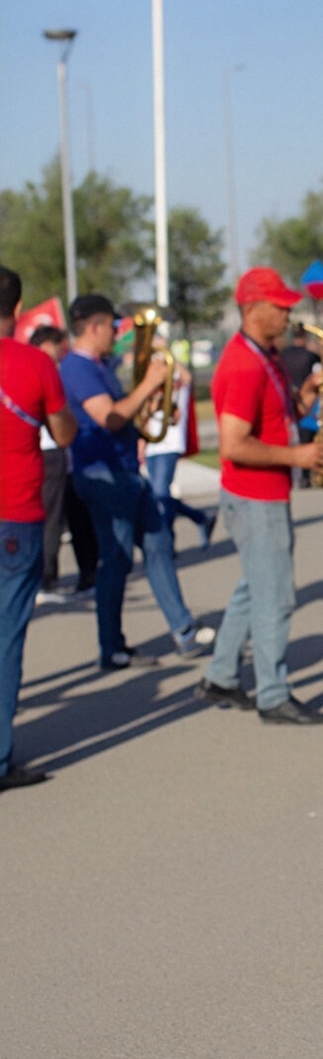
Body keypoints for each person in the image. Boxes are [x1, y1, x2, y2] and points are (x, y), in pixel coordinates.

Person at [198, 266, 323, 724]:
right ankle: (273, 696)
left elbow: (277, 417)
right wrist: (299, 456)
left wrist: (307, 394)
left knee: (253, 588)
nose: (287, 313)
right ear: (252, 309)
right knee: (275, 595)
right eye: (279, 306)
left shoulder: (265, 355)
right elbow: (233, 444)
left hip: (261, 494)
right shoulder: (243, 365)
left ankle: (221, 676)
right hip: (255, 497)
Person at [60, 294, 213, 671]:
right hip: (103, 474)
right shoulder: (77, 368)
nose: (118, 333)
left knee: (159, 543)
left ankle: (183, 630)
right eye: (113, 326)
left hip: (125, 469)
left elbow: (124, 414)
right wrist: (149, 384)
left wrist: (154, 407)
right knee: (117, 559)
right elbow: (109, 417)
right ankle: (111, 647)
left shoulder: (100, 366)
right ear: (94, 326)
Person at [0, 265, 77, 786]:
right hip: (16, 513)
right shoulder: (35, 362)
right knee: (6, 638)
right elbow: (64, 433)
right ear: (17, 307)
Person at [29, 325, 98, 602]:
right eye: (59, 347)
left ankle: (86, 575)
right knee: (52, 519)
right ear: (47, 344)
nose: (62, 353)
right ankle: (47, 580)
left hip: (62, 454)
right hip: (51, 450)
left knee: (74, 514)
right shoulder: (40, 369)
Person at [142, 368, 216, 551]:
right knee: (158, 495)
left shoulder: (178, 391)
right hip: (152, 448)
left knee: (160, 492)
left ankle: (166, 540)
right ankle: (200, 518)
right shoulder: (152, 394)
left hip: (170, 446)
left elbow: (187, 377)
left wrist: (168, 359)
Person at [279, 323, 322, 488]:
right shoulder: (311, 354)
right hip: (308, 399)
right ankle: (309, 472)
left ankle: (303, 476)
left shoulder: (284, 354)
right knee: (309, 436)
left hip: (290, 396)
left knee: (298, 436)